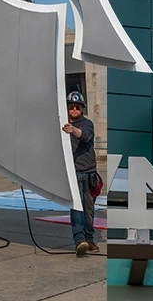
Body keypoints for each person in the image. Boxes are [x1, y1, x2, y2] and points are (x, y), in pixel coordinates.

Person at [62, 90, 99, 256]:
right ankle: (79, 240)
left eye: (77, 107)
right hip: (73, 173)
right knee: (76, 208)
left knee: (89, 209)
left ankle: (89, 238)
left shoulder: (87, 124)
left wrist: (73, 130)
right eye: (71, 107)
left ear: (82, 108)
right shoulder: (63, 125)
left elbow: (84, 136)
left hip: (89, 173)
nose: (75, 109)